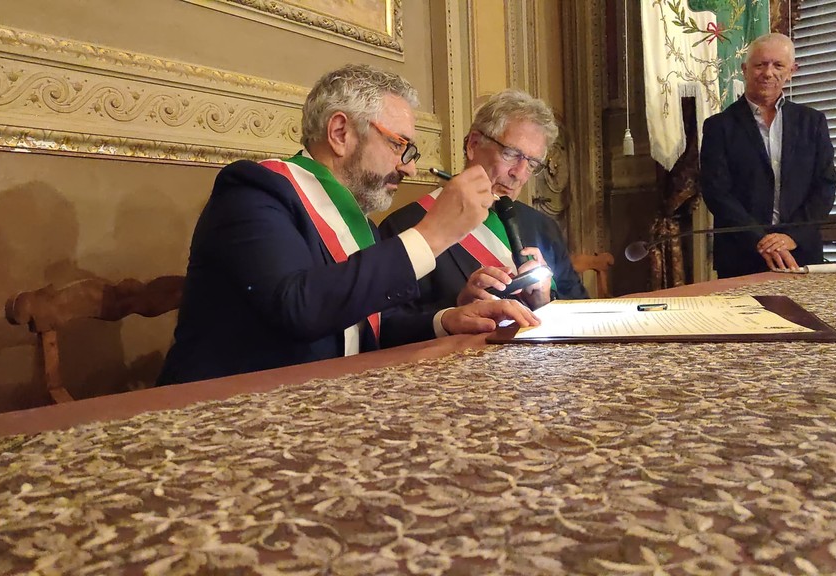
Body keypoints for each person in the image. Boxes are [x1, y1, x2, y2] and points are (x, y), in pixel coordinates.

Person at [158, 65, 538, 385]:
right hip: (220, 411)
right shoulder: (253, 192)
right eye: (398, 145)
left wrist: (447, 320)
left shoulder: (359, 222)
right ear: (340, 133)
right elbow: (298, 307)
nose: (409, 167)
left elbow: (369, 327)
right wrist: (433, 234)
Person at [379, 89, 588, 314]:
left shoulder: (543, 227)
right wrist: (456, 310)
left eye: (531, 164)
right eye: (511, 154)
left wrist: (544, 303)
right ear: (474, 144)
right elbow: (389, 325)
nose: (519, 173)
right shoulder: (405, 226)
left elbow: (580, 310)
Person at [700, 33, 836, 278]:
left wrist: (791, 237)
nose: (768, 73)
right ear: (745, 69)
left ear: (792, 71)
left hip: (800, 252)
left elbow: (825, 186)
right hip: (741, 255)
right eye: (760, 65)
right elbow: (717, 193)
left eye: (778, 65)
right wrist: (761, 241)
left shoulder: (812, 122)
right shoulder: (718, 126)